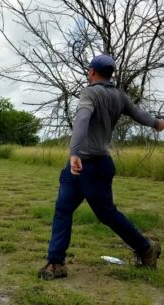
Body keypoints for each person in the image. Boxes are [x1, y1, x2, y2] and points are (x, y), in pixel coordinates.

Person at [39, 55, 164, 281]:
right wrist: (156, 123)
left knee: (107, 214)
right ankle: (56, 261)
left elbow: (82, 119)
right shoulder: (119, 96)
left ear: (92, 72)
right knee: (63, 209)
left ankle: (146, 248)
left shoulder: (89, 92)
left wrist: (74, 152)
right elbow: (139, 114)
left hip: (90, 165)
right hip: (85, 166)